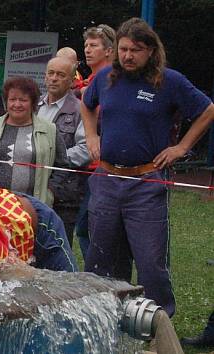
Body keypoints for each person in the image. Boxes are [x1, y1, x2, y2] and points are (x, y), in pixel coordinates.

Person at [81, 18, 214, 317]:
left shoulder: (170, 81)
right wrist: (91, 135)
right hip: (106, 180)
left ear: (151, 51)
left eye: (136, 50)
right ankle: (104, 319)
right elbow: (86, 105)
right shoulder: (105, 78)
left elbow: (207, 110)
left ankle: (157, 325)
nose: (128, 56)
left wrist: (181, 148)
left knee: (150, 261)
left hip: (147, 183)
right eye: (124, 49)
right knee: (100, 259)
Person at [0, 77, 68, 207]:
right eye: (12, 99)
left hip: (33, 207)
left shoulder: (50, 130)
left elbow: (62, 165)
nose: (17, 104)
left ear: (33, 103)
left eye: (23, 100)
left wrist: (49, 192)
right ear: (6, 101)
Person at [37, 56, 89, 246]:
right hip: (32, 189)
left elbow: (86, 149)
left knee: (57, 250)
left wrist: (54, 160)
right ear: (44, 77)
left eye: (60, 75)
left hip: (64, 195)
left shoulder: (80, 110)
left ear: (71, 81)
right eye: (51, 73)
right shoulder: (33, 107)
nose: (54, 78)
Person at [74, 24, 116, 260]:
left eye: (94, 46)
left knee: (90, 227)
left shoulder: (114, 81)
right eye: (86, 46)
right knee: (83, 226)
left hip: (105, 166)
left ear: (110, 50)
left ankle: (101, 275)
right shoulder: (88, 82)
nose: (88, 50)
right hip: (84, 165)